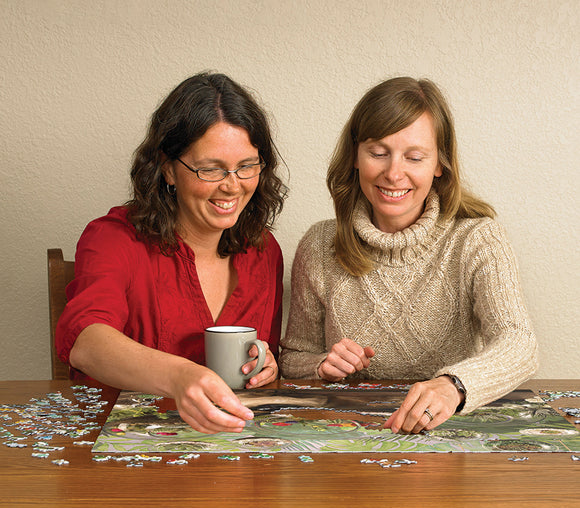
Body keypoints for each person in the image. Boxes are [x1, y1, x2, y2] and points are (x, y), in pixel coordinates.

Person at [280, 76, 538, 434]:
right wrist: (323, 365)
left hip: (450, 433)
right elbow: (292, 359)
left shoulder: (478, 238)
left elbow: (519, 343)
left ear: (439, 164)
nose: (393, 173)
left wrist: (453, 386)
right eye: (378, 153)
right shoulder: (319, 244)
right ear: (356, 155)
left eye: (414, 157)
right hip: (348, 438)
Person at [56, 72, 287, 434]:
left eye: (246, 166)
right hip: (125, 454)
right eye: (209, 169)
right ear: (167, 168)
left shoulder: (264, 251)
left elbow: (263, 358)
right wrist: (181, 377)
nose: (232, 185)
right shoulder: (113, 239)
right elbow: (86, 342)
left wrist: (268, 365)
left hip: (233, 454)